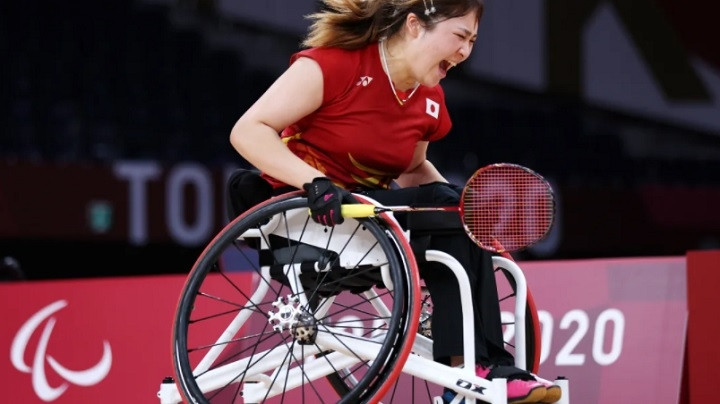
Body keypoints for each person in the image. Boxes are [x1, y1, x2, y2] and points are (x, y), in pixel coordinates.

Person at [228, 1, 560, 403]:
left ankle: (489, 366)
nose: (464, 53)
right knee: (443, 202)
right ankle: (468, 367)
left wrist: (463, 210)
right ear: (415, 25)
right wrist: (314, 181)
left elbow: (415, 169)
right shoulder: (334, 66)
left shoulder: (429, 100)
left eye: (472, 41)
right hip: (306, 213)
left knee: (454, 207)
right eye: (459, 37)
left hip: (371, 218)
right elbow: (248, 131)